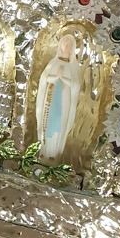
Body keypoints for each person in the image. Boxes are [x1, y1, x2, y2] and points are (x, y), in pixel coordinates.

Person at [35, 33, 81, 162]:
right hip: (50, 99)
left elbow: (76, 85)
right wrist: (55, 77)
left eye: (69, 45)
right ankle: (43, 152)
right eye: (65, 44)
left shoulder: (73, 66)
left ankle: (54, 154)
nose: (66, 47)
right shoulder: (53, 62)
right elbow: (44, 78)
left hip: (63, 100)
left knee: (59, 125)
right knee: (47, 123)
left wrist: (64, 79)